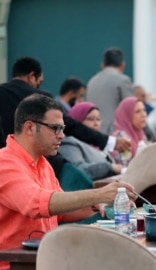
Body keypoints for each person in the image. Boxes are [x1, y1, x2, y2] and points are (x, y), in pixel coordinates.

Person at [0, 94, 137, 270]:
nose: (62, 136)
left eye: (62, 128)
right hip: (15, 269)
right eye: (56, 128)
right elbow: (37, 203)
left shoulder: (43, 163)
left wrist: (96, 205)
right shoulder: (5, 163)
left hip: (44, 262)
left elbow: (59, 213)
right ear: (30, 128)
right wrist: (100, 194)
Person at [0, 57, 131, 171]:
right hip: (36, 164)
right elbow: (71, 126)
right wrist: (108, 141)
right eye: (39, 82)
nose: (60, 135)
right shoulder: (41, 98)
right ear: (31, 76)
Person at [58, 102, 123, 180]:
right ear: (77, 121)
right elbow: (78, 171)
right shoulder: (70, 144)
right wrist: (109, 167)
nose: (96, 123)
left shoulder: (98, 146)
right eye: (90, 119)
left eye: (98, 119)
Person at [87, 47, 134, 134]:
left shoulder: (91, 81)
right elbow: (132, 110)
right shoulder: (123, 80)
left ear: (103, 65)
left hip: (92, 132)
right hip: (114, 135)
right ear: (122, 65)